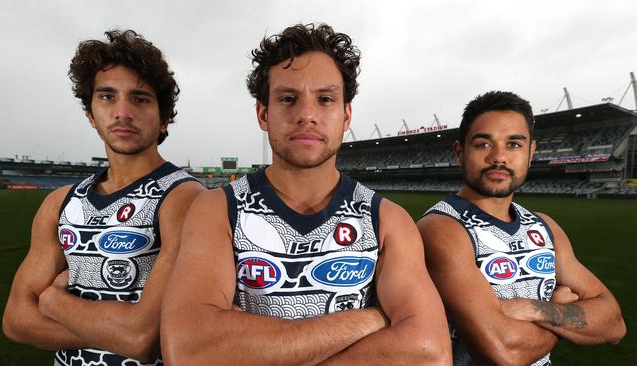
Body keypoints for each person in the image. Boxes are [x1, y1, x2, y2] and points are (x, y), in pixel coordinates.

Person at [160, 23, 451, 365]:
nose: (307, 115)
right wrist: (371, 319)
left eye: (325, 99)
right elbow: (190, 350)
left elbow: (429, 352)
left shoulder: (386, 220)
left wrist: (251, 348)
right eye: (288, 99)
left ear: (346, 115)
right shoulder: (218, 210)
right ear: (263, 113)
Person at [2, 29, 203, 366]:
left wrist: (53, 303)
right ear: (91, 114)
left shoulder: (184, 198)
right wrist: (116, 330)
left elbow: (144, 338)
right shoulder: (60, 203)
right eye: (108, 97)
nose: (123, 111)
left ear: (164, 119)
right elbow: (15, 321)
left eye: (140, 99)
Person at [417, 91, 626, 365]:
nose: (499, 157)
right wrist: (565, 312)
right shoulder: (442, 229)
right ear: (460, 152)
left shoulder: (544, 226)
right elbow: (504, 352)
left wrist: (537, 309)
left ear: (531, 153)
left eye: (514, 144)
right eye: (482, 144)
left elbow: (614, 323)